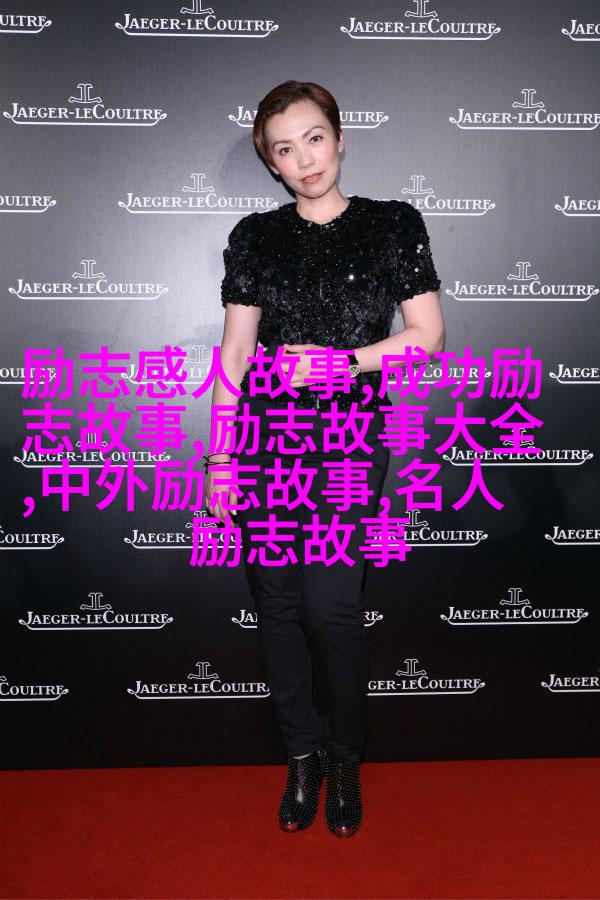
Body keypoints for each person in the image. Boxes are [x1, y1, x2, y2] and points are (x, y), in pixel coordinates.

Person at [203, 80, 445, 837]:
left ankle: (345, 760)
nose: (304, 158)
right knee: (277, 607)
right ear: (272, 165)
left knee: (332, 608)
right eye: (285, 148)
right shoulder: (255, 236)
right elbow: (235, 354)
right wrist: (218, 461)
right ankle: (301, 756)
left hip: (348, 441)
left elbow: (428, 335)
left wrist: (345, 363)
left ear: (339, 139)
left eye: (313, 138)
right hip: (263, 440)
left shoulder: (392, 224)